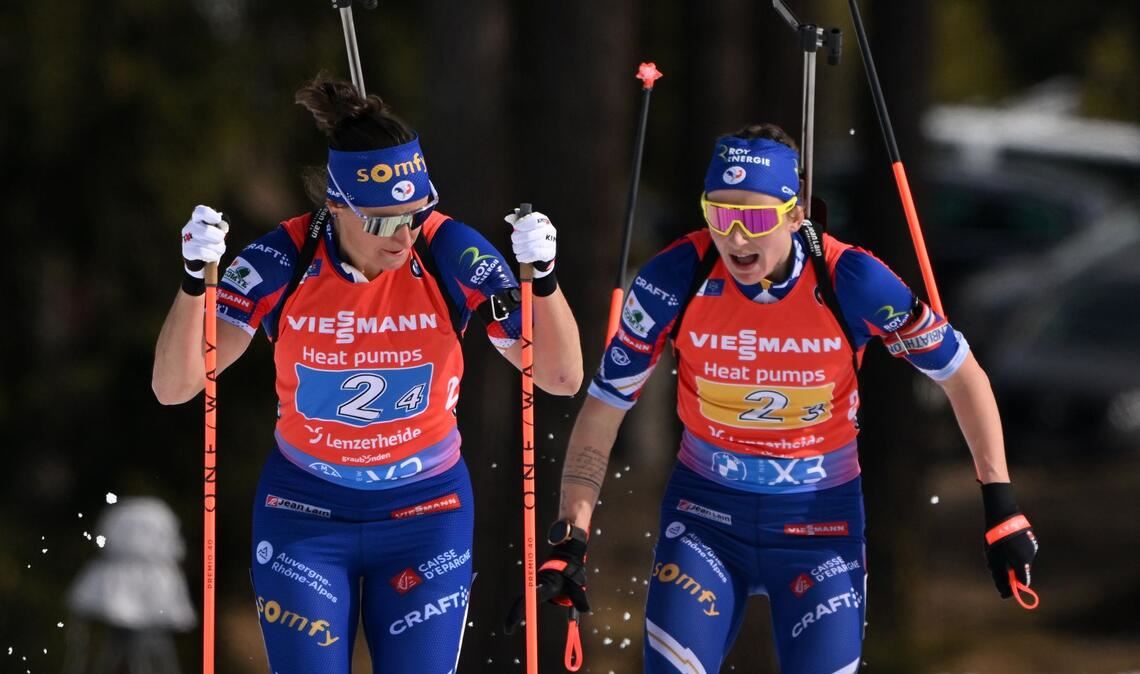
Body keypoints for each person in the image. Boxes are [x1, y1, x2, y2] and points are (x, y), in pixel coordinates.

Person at [525, 124, 1039, 674]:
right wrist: (571, 533)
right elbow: (604, 408)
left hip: (819, 526)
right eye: (719, 214)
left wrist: (1000, 503)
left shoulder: (852, 278)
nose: (736, 238)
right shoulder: (675, 277)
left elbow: (963, 377)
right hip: (706, 517)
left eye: (756, 218)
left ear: (796, 215)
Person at [152, 74, 583, 674]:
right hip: (304, 511)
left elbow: (560, 377)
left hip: (425, 513)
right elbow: (175, 388)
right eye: (381, 221)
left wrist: (546, 277)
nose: (402, 235)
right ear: (336, 206)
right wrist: (195, 283)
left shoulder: (446, 250)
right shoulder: (286, 258)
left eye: (415, 213)